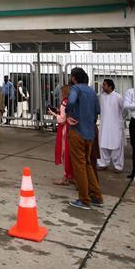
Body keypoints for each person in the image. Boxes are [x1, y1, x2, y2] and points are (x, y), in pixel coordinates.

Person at [65, 67, 103, 210]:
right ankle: (96, 196)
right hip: (90, 133)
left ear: (74, 78)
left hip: (77, 131)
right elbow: (97, 111)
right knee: (88, 164)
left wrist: (69, 114)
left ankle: (84, 199)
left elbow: (71, 102)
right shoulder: (92, 91)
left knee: (79, 167)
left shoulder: (76, 89)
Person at [96, 79, 125, 172]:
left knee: (116, 146)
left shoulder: (118, 97)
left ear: (110, 86)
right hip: (104, 124)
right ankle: (103, 163)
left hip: (116, 125)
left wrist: (120, 119)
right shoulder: (101, 96)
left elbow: (125, 111)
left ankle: (118, 166)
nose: (102, 86)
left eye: (104, 85)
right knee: (102, 144)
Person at [52, 84, 74, 185]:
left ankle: (66, 176)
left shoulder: (64, 102)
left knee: (65, 152)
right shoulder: (73, 101)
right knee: (71, 154)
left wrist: (54, 114)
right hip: (72, 129)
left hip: (65, 129)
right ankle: (71, 176)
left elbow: (62, 119)